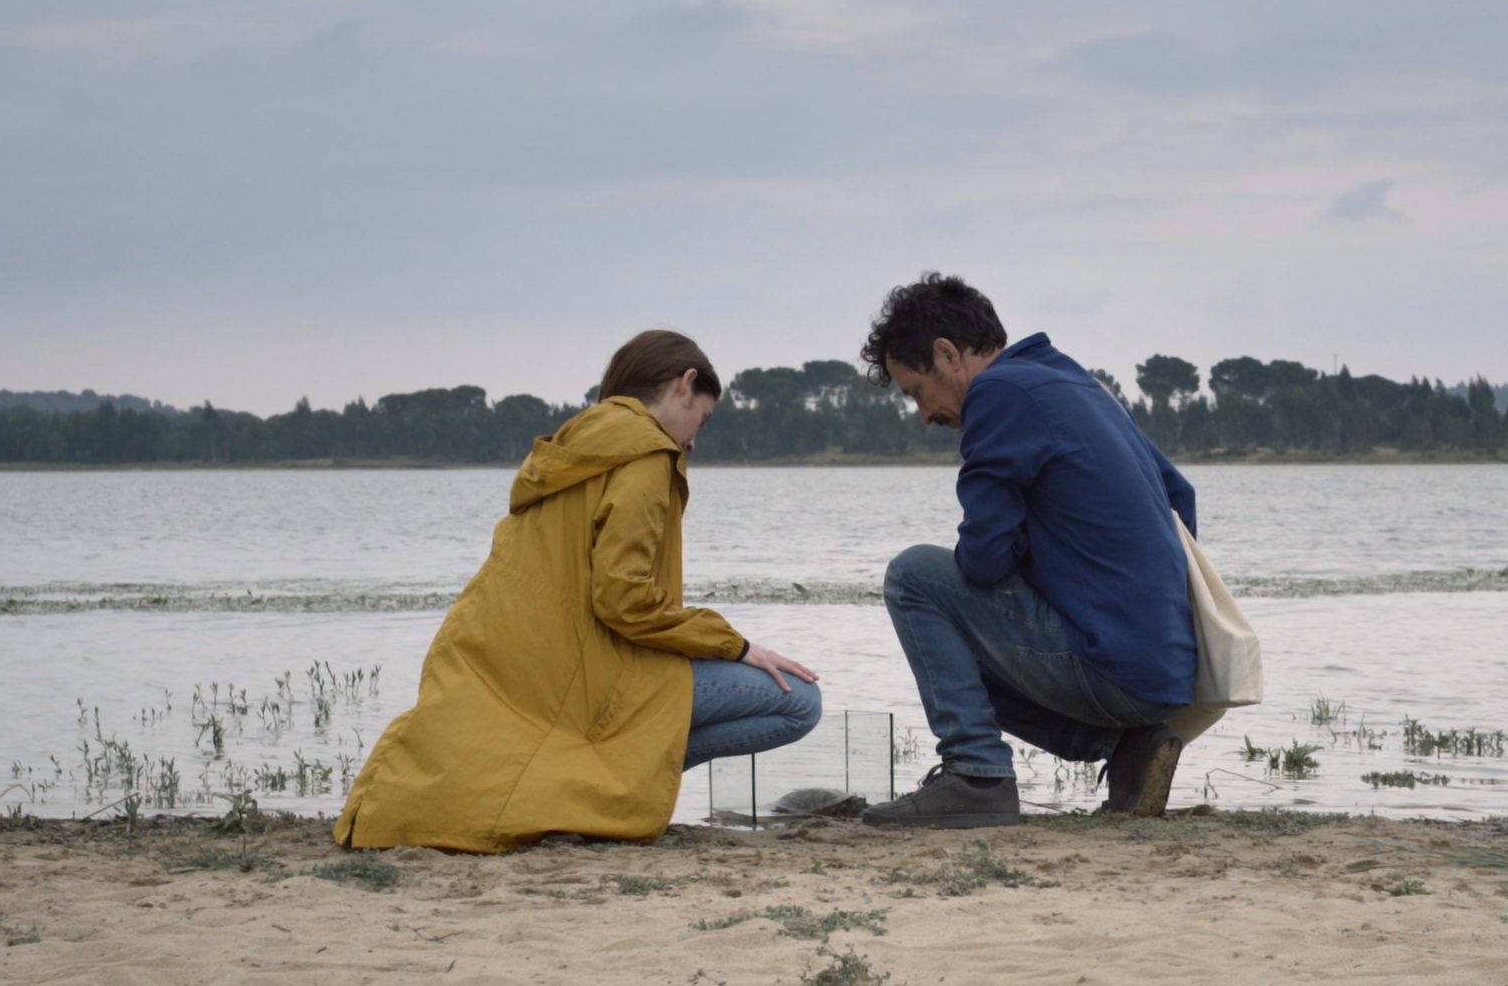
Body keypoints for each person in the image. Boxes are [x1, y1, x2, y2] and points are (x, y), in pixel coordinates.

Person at [335, 331, 821, 853]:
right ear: (685, 384)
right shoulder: (647, 455)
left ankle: (595, 783)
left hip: (522, 660)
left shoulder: (575, 446)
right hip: (596, 672)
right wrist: (736, 645)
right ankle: (602, 790)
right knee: (799, 703)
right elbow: (622, 598)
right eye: (701, 420)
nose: (693, 442)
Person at [856, 274, 1218, 828]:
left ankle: (975, 777)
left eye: (916, 392)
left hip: (1110, 669)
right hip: (1164, 675)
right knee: (956, 634)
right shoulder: (1074, 380)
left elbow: (983, 560)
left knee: (915, 577)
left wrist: (1026, 548)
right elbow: (1180, 498)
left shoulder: (998, 394)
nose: (925, 415)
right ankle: (1128, 745)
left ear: (947, 354)